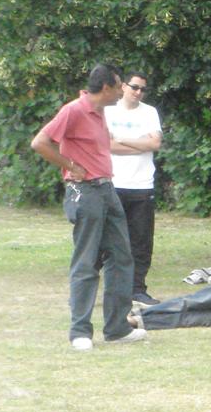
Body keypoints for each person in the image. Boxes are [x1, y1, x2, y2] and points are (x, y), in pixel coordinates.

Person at [30, 64, 146, 350]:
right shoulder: (74, 110)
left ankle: (117, 328)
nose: (122, 91)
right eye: (119, 86)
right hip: (85, 192)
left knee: (122, 258)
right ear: (106, 87)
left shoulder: (101, 112)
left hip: (108, 190)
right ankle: (80, 332)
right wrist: (70, 166)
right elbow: (40, 142)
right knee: (86, 262)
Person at [104, 71, 163, 306]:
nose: (138, 92)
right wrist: (140, 143)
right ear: (124, 87)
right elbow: (107, 145)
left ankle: (137, 289)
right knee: (108, 241)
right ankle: (111, 289)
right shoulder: (108, 111)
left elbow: (155, 143)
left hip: (142, 186)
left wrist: (122, 140)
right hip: (113, 184)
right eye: (135, 87)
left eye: (143, 89)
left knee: (141, 242)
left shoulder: (149, 112)